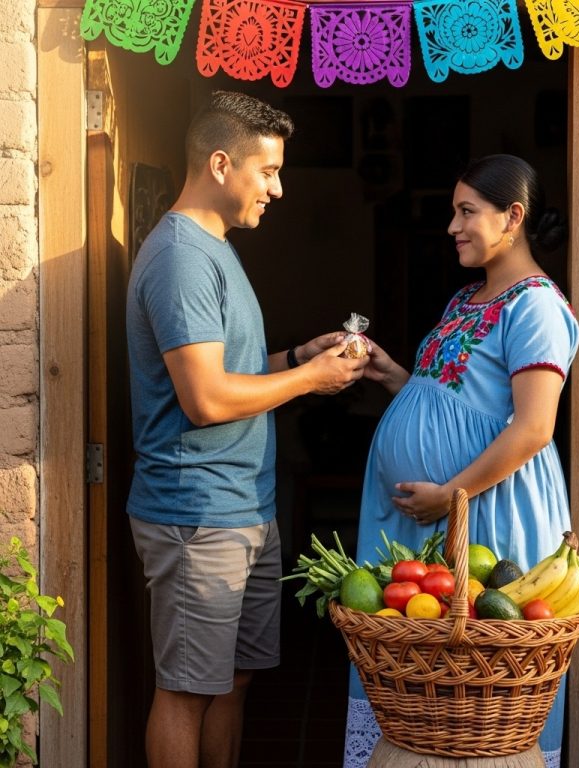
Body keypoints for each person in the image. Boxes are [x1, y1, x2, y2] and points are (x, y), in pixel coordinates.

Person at [125, 90, 368, 768]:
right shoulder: (181, 259)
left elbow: (228, 370)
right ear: (222, 163)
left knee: (233, 681)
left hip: (242, 510)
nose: (279, 188)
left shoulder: (216, 249)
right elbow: (204, 399)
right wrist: (310, 382)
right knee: (185, 691)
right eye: (269, 172)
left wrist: (297, 358)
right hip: (196, 515)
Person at [344, 154, 579, 768]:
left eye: (466, 212)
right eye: (455, 211)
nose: (452, 225)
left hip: (485, 511)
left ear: (514, 217)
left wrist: (452, 495)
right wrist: (395, 375)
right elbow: (450, 400)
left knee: (477, 688)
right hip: (434, 513)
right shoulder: (465, 299)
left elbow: (532, 429)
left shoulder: (536, 308)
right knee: (419, 696)